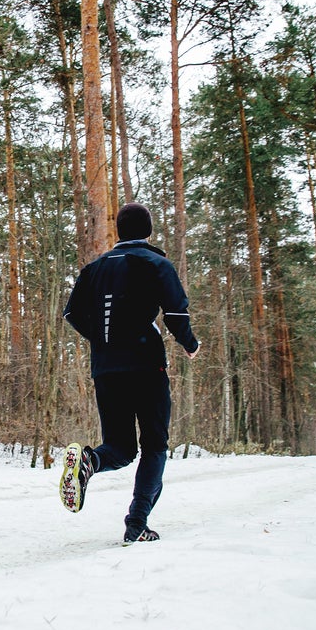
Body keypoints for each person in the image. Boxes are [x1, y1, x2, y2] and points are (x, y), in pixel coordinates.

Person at [61, 202, 199, 544]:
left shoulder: (92, 270)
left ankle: (90, 460)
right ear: (148, 231)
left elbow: (72, 314)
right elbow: (176, 314)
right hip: (146, 366)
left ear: (119, 231)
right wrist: (191, 344)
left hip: (106, 368)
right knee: (154, 444)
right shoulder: (156, 263)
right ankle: (137, 523)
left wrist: (104, 338)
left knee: (119, 448)